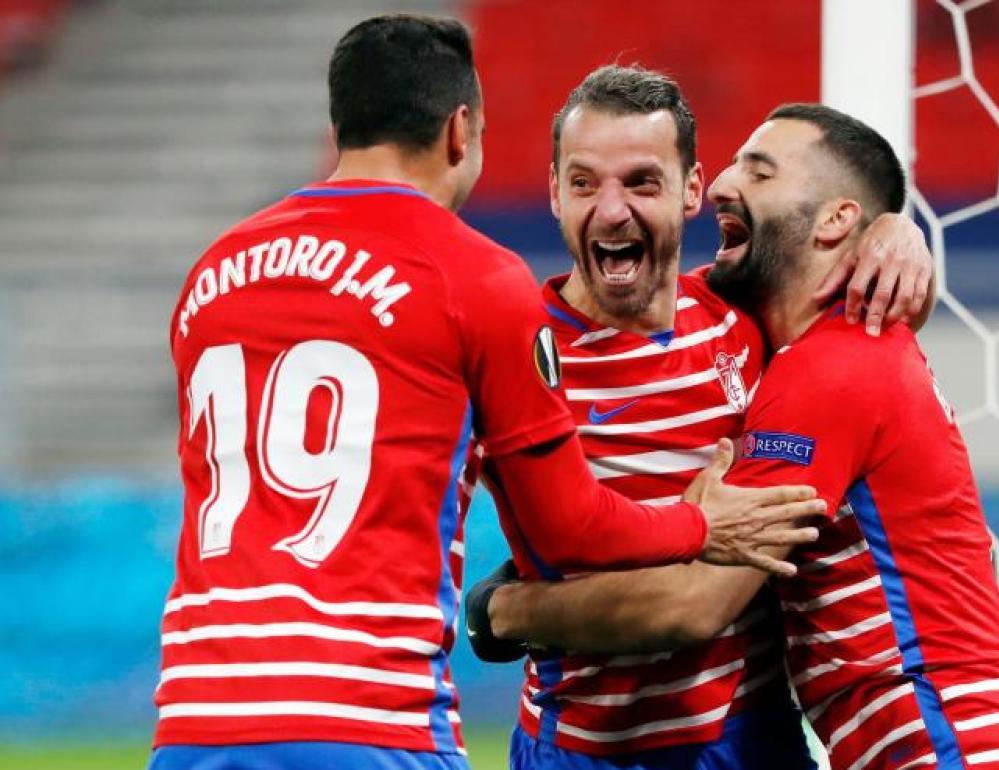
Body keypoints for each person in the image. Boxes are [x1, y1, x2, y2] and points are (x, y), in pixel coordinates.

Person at [148, 18, 827, 770]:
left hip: (193, 709)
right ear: (461, 131)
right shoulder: (484, 292)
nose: (611, 210)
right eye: (583, 182)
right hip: (377, 711)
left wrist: (893, 235)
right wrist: (699, 527)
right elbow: (574, 529)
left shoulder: (212, 273)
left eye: (641, 181)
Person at [476, 104, 999, 769]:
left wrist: (505, 610)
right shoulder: (779, 331)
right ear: (556, 192)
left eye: (759, 173)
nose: (733, 184)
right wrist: (890, 231)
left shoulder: (823, 369)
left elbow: (695, 602)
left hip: (943, 732)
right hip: (946, 729)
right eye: (585, 182)